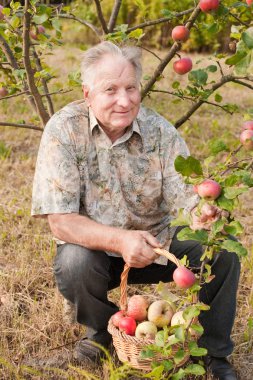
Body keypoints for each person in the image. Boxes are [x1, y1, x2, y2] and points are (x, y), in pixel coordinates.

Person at [32, 41, 240, 380]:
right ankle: (102, 334)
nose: (125, 100)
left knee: (223, 251)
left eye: (131, 88)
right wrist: (120, 240)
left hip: (157, 247)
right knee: (74, 264)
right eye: (110, 90)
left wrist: (202, 212)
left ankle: (216, 355)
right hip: (96, 253)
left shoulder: (159, 131)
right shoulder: (64, 130)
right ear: (88, 94)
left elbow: (185, 196)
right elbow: (61, 222)